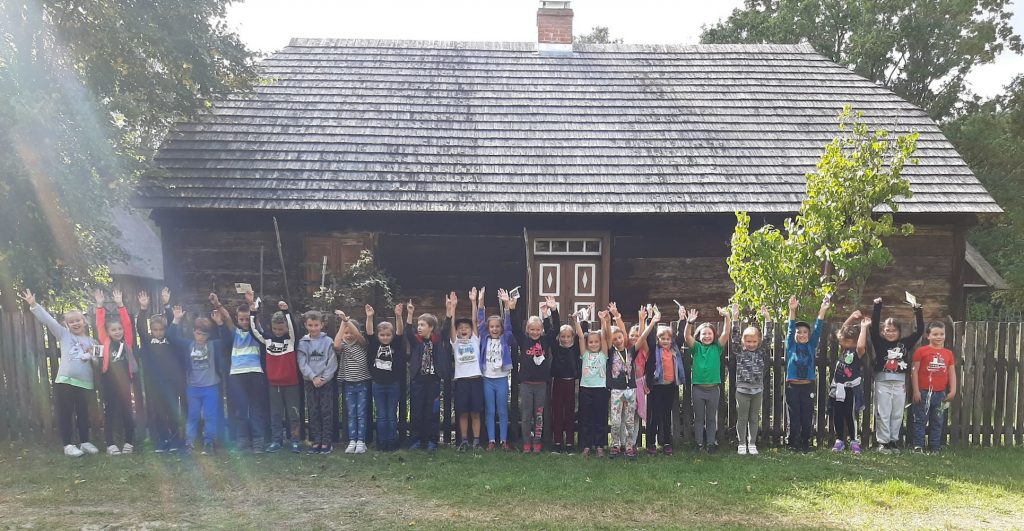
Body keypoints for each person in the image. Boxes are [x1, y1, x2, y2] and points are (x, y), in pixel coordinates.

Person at [21, 289, 100, 457]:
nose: (75, 323)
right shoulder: (64, 335)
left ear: (84, 321)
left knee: (83, 413)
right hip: (65, 381)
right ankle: (68, 445)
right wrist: (34, 305)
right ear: (66, 325)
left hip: (85, 383)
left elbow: (97, 364)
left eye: (78, 320)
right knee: (66, 413)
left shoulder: (92, 342)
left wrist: (92, 356)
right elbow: (49, 321)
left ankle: (85, 442)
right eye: (71, 322)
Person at [211, 292, 268, 454]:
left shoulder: (256, 333)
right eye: (241, 319)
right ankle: (242, 441)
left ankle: (258, 442)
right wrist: (217, 304)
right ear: (237, 319)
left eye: (247, 319)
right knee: (241, 409)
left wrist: (251, 304)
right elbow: (227, 318)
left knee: (255, 409)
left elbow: (256, 321)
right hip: (237, 374)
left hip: (255, 373)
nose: (244, 322)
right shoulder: (234, 332)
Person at [169, 305, 227, 455]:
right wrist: (176, 319)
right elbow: (172, 338)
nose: (200, 337)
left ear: (209, 335)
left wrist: (220, 323)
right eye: (198, 333)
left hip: (210, 387)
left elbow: (227, 340)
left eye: (204, 334)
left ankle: (209, 443)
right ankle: (190, 443)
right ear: (194, 332)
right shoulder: (188, 345)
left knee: (210, 416)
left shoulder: (213, 345)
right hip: (193, 388)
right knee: (193, 416)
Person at [870, 297, 925, 454]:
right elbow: (873, 327)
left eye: (894, 330)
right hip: (882, 382)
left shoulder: (905, 343)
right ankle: (883, 442)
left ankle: (893, 441)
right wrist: (877, 306)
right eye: (887, 330)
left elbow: (919, 331)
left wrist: (917, 310)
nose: (890, 333)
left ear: (899, 332)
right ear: (883, 331)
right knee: (883, 413)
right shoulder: (878, 341)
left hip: (900, 383)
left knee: (897, 413)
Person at [249, 298, 302, 453]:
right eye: (275, 329)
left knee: (294, 414)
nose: (278, 332)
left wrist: (286, 312)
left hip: (291, 384)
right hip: (273, 384)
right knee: (275, 414)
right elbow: (254, 331)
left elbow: (293, 328)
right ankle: (276, 441)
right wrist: (253, 313)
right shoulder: (267, 340)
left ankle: (295, 441)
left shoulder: (291, 340)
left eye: (281, 329)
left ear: (285, 327)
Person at [136, 288, 185, 453]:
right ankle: (162, 439)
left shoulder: (170, 341)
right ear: (151, 330)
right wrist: (143, 309)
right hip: (154, 385)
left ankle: (175, 440)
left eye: (161, 330)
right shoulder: (148, 342)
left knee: (173, 411)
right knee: (158, 413)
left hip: (171, 384)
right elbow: (140, 327)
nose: (158, 333)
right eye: (155, 330)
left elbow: (171, 323)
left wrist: (167, 305)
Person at [508, 288, 555, 453]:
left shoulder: (545, 341)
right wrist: (512, 308)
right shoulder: (524, 341)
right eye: (532, 329)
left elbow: (554, 330)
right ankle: (526, 443)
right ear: (528, 330)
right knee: (526, 415)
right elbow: (515, 328)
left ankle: (537, 442)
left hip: (541, 384)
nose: (535, 332)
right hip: (526, 384)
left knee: (539, 415)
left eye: (538, 329)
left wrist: (551, 312)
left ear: (541, 330)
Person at [607, 303, 656, 460]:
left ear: (624, 337)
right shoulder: (610, 352)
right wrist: (614, 316)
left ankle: (629, 446)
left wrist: (649, 322)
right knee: (616, 421)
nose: (618, 340)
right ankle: (615, 445)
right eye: (614, 339)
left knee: (629, 421)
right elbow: (612, 333)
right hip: (616, 390)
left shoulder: (631, 351)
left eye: (620, 337)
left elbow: (642, 337)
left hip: (630, 390)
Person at [93, 288, 139, 455]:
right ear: (108, 333)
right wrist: (99, 306)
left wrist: (121, 305)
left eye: (119, 329)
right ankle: (110, 444)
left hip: (125, 383)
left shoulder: (127, 342)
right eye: (113, 330)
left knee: (127, 412)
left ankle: (129, 442)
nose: (117, 332)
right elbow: (99, 324)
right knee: (110, 413)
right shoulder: (105, 342)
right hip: (109, 383)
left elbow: (127, 324)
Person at [683, 305, 731, 454]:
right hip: (698, 389)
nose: (707, 336)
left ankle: (710, 444)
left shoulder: (717, 347)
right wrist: (689, 323)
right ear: (699, 335)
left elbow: (726, 333)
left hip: (713, 390)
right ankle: (698, 444)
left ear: (714, 335)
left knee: (711, 418)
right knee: (698, 418)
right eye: (704, 334)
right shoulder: (696, 348)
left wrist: (727, 317)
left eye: (710, 333)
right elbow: (687, 337)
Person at [406, 299, 452, 451]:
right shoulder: (416, 341)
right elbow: (408, 332)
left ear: (431, 328)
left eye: (422, 325)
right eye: (418, 325)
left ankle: (432, 440)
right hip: (418, 382)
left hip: (433, 382)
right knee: (417, 412)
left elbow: (446, 329)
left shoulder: (437, 341)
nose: (419, 327)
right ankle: (416, 440)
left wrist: (449, 311)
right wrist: (410, 313)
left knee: (432, 412)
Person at [785, 295, 830, 452]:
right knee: (794, 416)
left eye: (805, 332)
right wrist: (792, 310)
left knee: (807, 415)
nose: (802, 334)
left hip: (807, 386)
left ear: (809, 335)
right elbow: (790, 328)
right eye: (799, 332)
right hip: (792, 387)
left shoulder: (811, 345)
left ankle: (805, 443)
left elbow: (818, 328)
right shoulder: (791, 345)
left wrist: (822, 310)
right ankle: (792, 443)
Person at [731, 304, 773, 456]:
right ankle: (742, 443)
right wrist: (735, 318)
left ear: (758, 341)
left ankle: (752, 443)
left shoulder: (762, 351)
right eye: (748, 341)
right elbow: (734, 337)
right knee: (742, 418)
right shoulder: (739, 351)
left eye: (754, 341)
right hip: (742, 391)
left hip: (757, 390)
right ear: (743, 341)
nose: (751, 344)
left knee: (754, 418)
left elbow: (768, 338)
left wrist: (767, 319)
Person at [644, 306, 686, 456]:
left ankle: (667, 443)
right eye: (662, 338)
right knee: (655, 416)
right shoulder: (654, 349)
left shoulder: (674, 349)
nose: (665, 341)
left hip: (670, 386)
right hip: (656, 386)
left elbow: (681, 336)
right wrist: (650, 318)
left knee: (667, 415)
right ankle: (651, 443)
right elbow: (649, 336)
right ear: (658, 339)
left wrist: (682, 319)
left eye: (668, 339)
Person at [911, 322, 958, 453]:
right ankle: (918, 446)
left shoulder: (948, 353)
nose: (939, 337)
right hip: (924, 392)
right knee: (920, 420)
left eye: (941, 334)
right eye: (935, 334)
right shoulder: (921, 351)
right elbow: (914, 371)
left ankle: (934, 447)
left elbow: (951, 373)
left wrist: (953, 390)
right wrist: (916, 391)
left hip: (940, 394)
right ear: (928, 336)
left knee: (937, 421)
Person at [478, 288, 515, 451]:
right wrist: (480, 302)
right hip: (487, 379)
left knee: (502, 411)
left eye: (497, 326)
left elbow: (508, 325)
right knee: (490, 411)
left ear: (501, 328)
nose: (494, 329)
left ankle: (503, 440)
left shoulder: (505, 339)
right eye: (492, 326)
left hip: (501, 379)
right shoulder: (484, 338)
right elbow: (480, 321)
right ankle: (492, 440)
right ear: (488, 328)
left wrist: (506, 305)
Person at [365, 302, 405, 452]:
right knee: (381, 415)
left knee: (391, 415)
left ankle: (392, 442)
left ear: (392, 336)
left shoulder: (396, 343)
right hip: (378, 384)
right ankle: (382, 442)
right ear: (378, 335)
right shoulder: (375, 344)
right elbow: (369, 332)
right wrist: (370, 317)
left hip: (393, 384)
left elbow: (400, 331)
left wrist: (398, 316)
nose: (385, 337)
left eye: (388, 335)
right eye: (382, 335)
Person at [297, 310, 338, 454]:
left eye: (316, 325)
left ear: (322, 325)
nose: (313, 328)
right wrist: (313, 377)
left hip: (325, 382)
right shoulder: (303, 343)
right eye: (310, 325)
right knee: (313, 411)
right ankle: (316, 440)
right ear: (305, 325)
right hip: (310, 382)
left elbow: (332, 362)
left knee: (326, 411)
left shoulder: (328, 342)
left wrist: (323, 378)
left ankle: (326, 441)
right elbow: (302, 363)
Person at [829, 312, 870, 455]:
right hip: (838, 388)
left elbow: (861, 345)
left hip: (851, 389)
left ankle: (853, 440)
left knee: (850, 415)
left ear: (852, 340)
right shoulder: (844, 349)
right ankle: (839, 440)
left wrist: (863, 327)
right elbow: (841, 331)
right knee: (838, 414)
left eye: (844, 340)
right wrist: (852, 317)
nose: (840, 341)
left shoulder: (858, 352)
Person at [449, 289, 484, 451]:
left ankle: (476, 441)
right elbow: (451, 324)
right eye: (461, 327)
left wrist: (473, 302)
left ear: (471, 331)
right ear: (457, 331)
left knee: (475, 413)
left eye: (467, 327)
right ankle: (464, 440)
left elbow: (475, 320)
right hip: (461, 382)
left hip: (476, 380)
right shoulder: (455, 343)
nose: (464, 329)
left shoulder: (475, 340)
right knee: (462, 412)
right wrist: (453, 308)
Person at [334, 310, 370, 454]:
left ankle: (361, 441)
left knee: (361, 414)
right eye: (346, 333)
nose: (348, 335)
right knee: (351, 414)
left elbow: (359, 336)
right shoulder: (343, 346)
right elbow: (336, 345)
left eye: (351, 333)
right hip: (348, 384)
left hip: (362, 383)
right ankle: (352, 440)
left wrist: (347, 321)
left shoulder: (362, 344)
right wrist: (343, 324)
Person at [576, 309, 611, 457]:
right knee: (586, 418)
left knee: (600, 418)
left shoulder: (603, 354)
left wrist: (603, 321)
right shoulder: (585, 354)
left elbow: (604, 337)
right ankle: (586, 445)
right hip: (586, 389)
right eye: (591, 342)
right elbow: (580, 337)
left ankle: (599, 446)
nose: (594, 344)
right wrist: (576, 322)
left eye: (596, 342)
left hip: (601, 389)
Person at [548, 299, 580, 454]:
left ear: (572, 337)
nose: (566, 339)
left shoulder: (575, 348)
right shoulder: (556, 347)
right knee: (557, 412)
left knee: (570, 413)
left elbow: (581, 334)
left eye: (568, 336)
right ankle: (558, 442)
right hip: (558, 382)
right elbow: (554, 329)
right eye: (563, 336)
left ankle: (569, 443)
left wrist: (578, 320)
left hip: (571, 383)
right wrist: (554, 310)